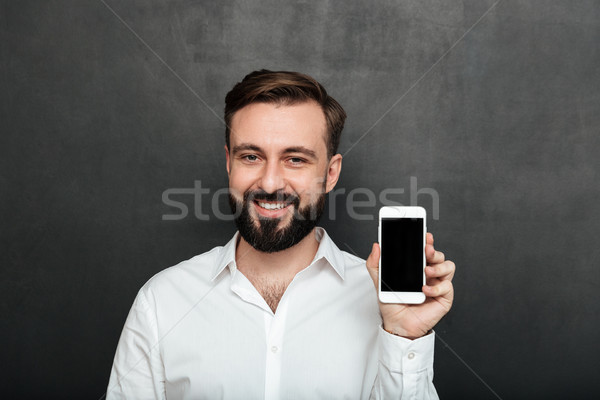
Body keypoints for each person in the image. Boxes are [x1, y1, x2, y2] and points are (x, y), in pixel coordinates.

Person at [107, 70, 455, 399]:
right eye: (252, 156)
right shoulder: (161, 303)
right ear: (230, 163)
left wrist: (404, 337)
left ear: (330, 173)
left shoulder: (381, 304)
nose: (270, 183)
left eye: (295, 160)